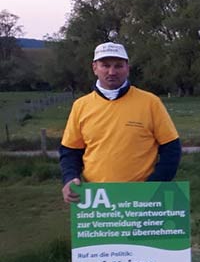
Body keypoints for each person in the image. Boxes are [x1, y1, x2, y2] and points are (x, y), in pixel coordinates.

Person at [60, 42, 182, 204]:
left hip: (143, 196)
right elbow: (70, 151)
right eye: (105, 65)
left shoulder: (150, 102)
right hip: (97, 199)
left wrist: (154, 185)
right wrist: (70, 178)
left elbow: (171, 149)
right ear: (95, 68)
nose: (112, 72)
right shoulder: (81, 106)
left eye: (118, 66)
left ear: (127, 68)